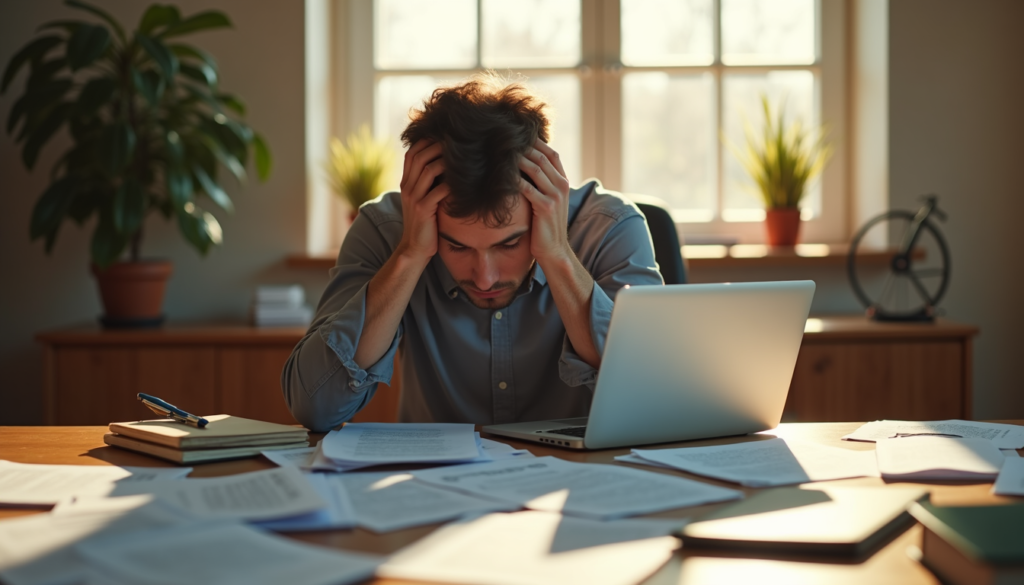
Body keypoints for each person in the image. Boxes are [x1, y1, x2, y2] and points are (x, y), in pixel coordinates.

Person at [282, 73, 662, 432]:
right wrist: (411, 254)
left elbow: (653, 401)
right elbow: (316, 405)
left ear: (546, 194)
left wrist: (558, 254)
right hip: (437, 491)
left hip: (583, 487)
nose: (485, 278)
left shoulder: (610, 227)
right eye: (456, 245)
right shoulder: (386, 231)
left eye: (509, 243)